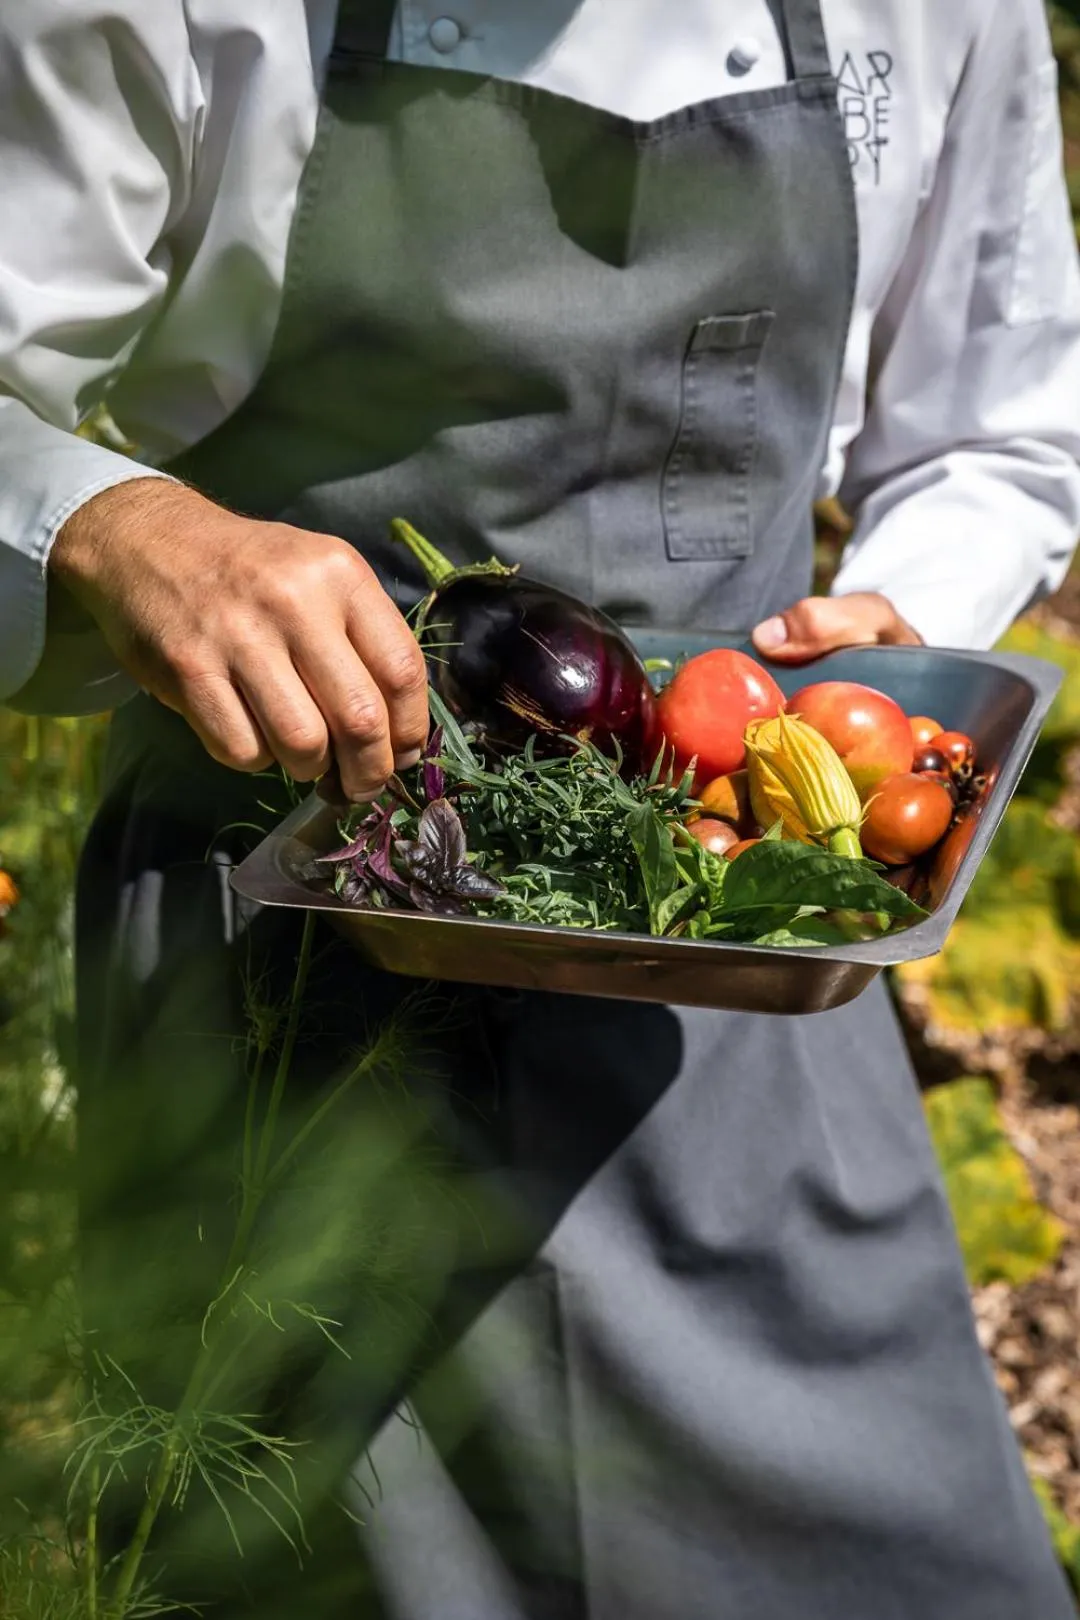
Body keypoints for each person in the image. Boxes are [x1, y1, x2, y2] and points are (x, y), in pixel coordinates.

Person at [3, 1, 1080, 1615]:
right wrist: (104, 517)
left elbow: (1003, 431)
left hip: (729, 973)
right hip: (281, 1018)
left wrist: (890, 635)